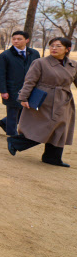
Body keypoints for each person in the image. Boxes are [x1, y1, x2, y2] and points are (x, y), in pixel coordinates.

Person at [7, 37, 76, 167]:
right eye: (52, 46)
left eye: (58, 46)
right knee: (46, 127)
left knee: (60, 128)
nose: (54, 48)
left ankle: (52, 157)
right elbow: (29, 81)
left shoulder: (73, 65)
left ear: (67, 49)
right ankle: (16, 142)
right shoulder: (40, 62)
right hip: (44, 100)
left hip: (64, 101)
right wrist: (23, 97)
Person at [0, 31, 40, 135]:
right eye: (14, 39)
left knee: (25, 111)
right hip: (12, 88)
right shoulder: (4, 55)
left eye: (19, 39)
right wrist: (3, 90)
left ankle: (4, 122)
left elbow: (39, 70)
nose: (16, 41)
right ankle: (12, 135)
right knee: (13, 112)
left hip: (30, 88)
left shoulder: (34, 53)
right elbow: (0, 74)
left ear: (27, 40)